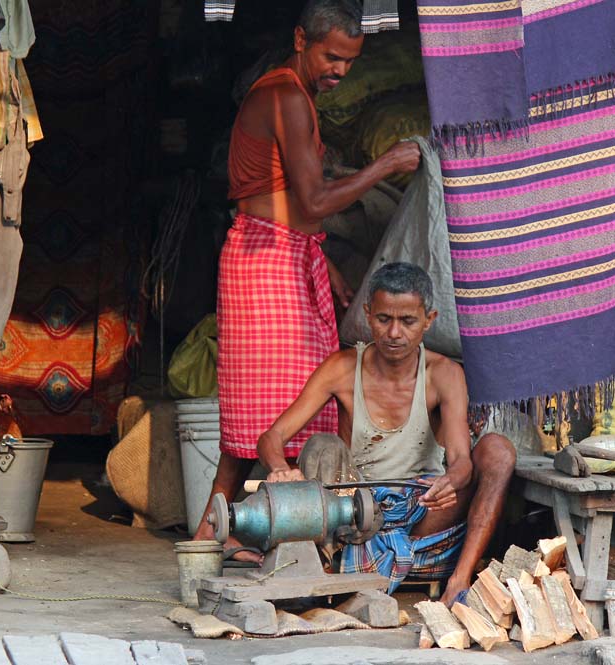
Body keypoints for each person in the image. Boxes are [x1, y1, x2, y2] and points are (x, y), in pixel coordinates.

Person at [193, 0, 422, 563]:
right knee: (286, 405)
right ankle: (260, 533)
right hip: (264, 258)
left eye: (350, 60)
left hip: (286, 252)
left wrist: (328, 265)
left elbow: (297, 209)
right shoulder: (286, 96)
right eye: (332, 56)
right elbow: (314, 199)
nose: (340, 70)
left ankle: (214, 532)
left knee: (272, 406)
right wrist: (385, 166)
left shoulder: (298, 96)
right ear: (301, 39)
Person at [256, 263, 516, 605]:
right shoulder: (342, 368)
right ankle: (325, 561)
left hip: (423, 509)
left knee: (498, 450)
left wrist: (449, 482)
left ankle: (459, 580)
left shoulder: (444, 374)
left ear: (429, 319)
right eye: (383, 319)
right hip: (355, 514)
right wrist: (279, 468)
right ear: (367, 315)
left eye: (408, 321)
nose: (394, 333)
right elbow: (272, 437)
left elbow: (460, 461)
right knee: (323, 445)